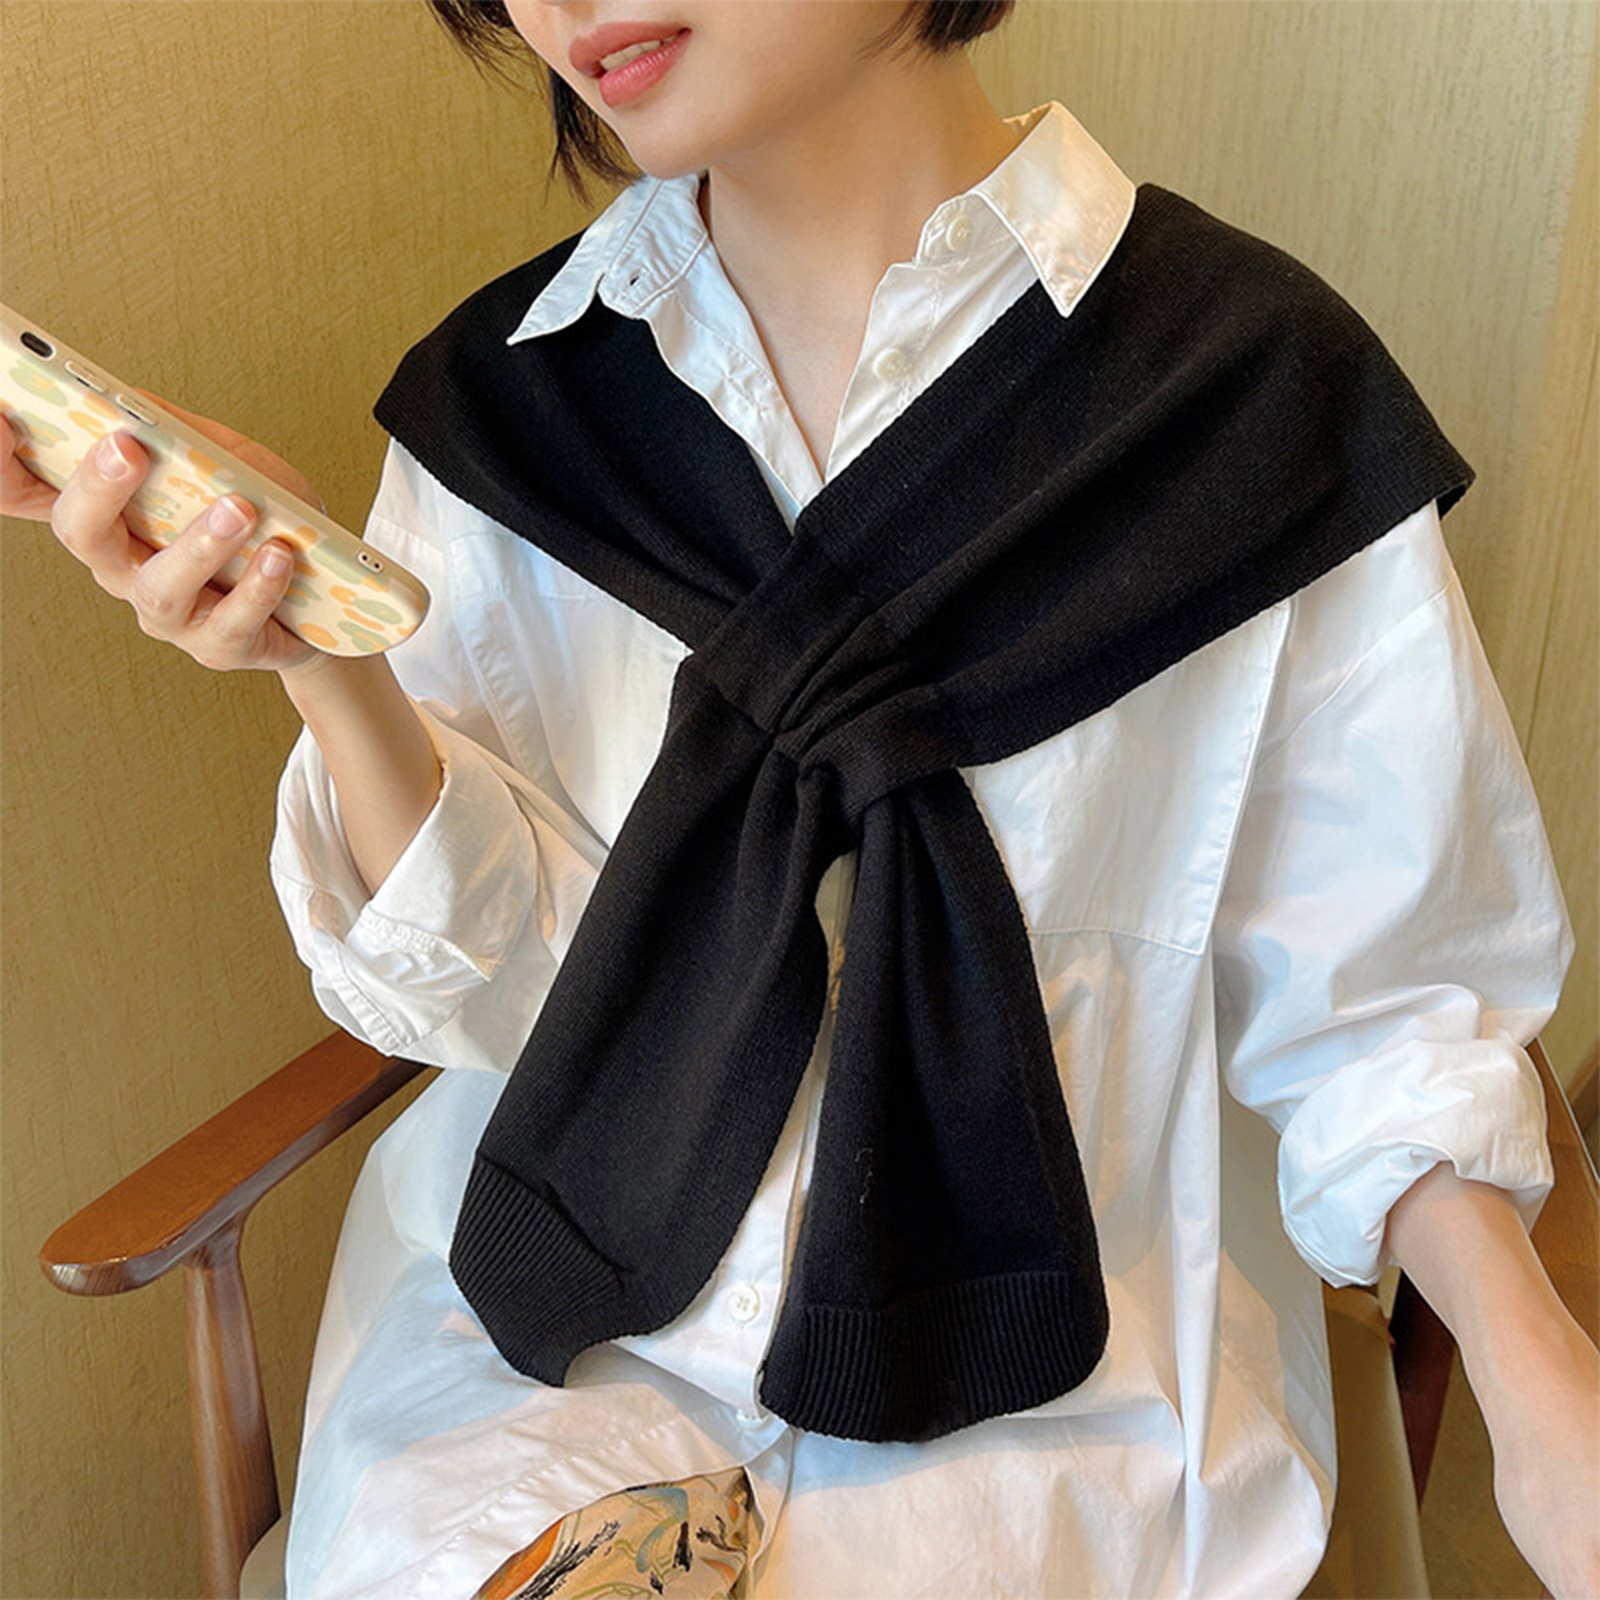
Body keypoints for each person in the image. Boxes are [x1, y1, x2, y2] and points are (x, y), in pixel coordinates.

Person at [6, 2, 1597, 1595]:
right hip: (550, 1368)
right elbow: (508, 989)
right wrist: (323, 662)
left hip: (1058, 1408)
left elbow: (1381, 1006)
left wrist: (1538, 1391)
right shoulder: (509, 413)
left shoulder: (1253, 406)